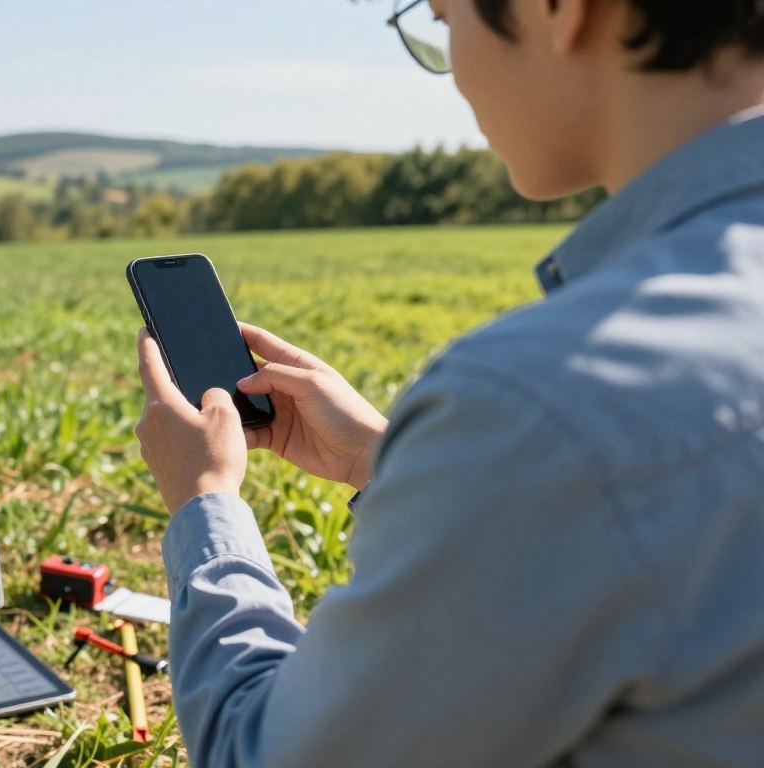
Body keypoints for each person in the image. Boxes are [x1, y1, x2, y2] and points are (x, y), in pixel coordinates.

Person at [132, 0, 764, 765]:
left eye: (442, 17)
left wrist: (205, 507)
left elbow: (265, 751)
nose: (452, 69)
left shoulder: (545, 402)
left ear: (557, 11)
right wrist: (382, 460)